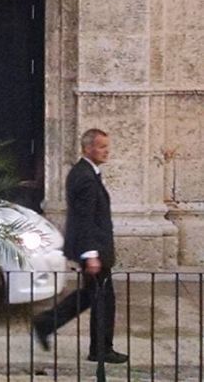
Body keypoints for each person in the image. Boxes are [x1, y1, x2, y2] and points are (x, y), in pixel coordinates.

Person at [33, 129, 127, 364]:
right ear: (87, 149)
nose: (107, 151)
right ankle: (100, 349)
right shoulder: (84, 176)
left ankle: (45, 323)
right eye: (101, 147)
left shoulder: (87, 173)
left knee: (89, 295)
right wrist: (91, 255)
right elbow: (84, 218)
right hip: (93, 249)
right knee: (104, 299)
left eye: (107, 146)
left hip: (93, 247)